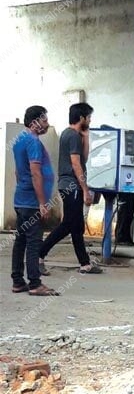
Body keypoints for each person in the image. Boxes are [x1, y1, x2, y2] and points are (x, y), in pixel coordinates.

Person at [38, 103, 102, 275]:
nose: (90, 120)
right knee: (68, 225)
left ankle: (85, 264)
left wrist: (86, 137)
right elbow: (76, 164)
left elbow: (84, 158)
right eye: (88, 117)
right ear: (81, 118)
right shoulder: (72, 135)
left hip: (71, 185)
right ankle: (39, 253)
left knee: (77, 226)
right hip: (71, 185)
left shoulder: (72, 135)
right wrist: (85, 189)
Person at [11, 106, 59, 296]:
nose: (47, 124)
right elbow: (35, 172)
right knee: (33, 242)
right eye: (44, 120)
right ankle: (35, 283)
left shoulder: (18, 141)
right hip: (31, 202)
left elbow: (17, 171)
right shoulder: (33, 142)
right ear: (34, 123)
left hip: (21, 199)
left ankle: (17, 281)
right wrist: (42, 202)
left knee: (20, 241)